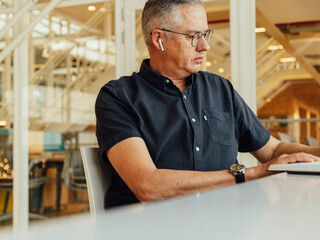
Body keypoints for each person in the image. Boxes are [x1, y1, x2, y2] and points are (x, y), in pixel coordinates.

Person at [95, 0, 320, 209]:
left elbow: (271, 150)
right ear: (158, 39)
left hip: (224, 220)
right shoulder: (118, 97)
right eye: (193, 36)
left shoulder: (221, 89)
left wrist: (314, 154)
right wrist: (248, 174)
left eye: (205, 34)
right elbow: (148, 186)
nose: (204, 46)